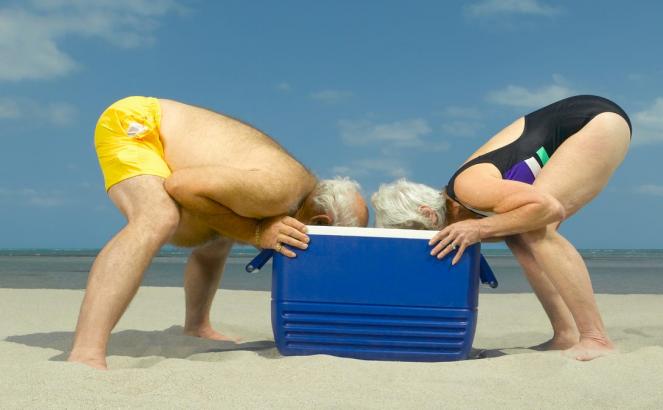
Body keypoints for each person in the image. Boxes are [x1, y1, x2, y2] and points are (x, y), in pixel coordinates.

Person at [68, 96, 368, 369]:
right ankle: (86, 351)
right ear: (321, 220)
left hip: (163, 133)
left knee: (219, 232)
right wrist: (257, 231)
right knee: (157, 217)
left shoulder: (285, 194)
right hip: (137, 122)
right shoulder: (278, 192)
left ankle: (197, 325)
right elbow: (182, 186)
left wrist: (253, 228)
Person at [371, 95, 631, 361]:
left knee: (535, 229)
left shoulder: (468, 188)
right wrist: (483, 228)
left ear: (428, 214)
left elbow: (548, 208)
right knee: (520, 235)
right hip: (581, 123)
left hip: (595, 122)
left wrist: (480, 229)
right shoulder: (465, 205)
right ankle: (565, 334)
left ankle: (596, 338)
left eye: (423, 233)